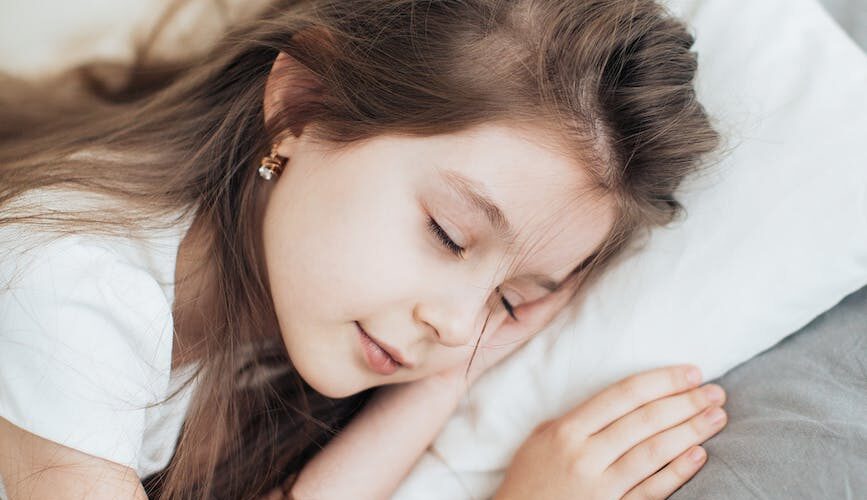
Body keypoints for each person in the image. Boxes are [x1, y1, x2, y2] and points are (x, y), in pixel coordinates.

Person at [0, 0, 723, 498]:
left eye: (511, 300)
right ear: (301, 105)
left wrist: (441, 386)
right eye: (448, 235)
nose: (460, 327)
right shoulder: (71, 285)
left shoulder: (266, 327)